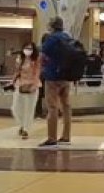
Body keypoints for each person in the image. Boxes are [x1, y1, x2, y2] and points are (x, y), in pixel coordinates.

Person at [39, 17, 73, 147]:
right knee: (66, 106)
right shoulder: (67, 37)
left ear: (52, 26)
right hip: (66, 76)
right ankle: (66, 135)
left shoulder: (51, 38)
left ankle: (52, 137)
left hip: (52, 77)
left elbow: (43, 52)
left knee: (52, 107)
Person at [11, 42, 41, 140]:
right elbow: (17, 71)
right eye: (26, 48)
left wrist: (34, 85)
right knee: (15, 108)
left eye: (30, 48)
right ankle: (22, 124)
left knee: (29, 109)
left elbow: (37, 73)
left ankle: (26, 129)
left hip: (32, 86)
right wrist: (12, 82)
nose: (28, 50)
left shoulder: (36, 59)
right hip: (20, 85)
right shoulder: (20, 59)